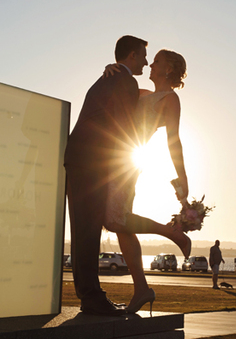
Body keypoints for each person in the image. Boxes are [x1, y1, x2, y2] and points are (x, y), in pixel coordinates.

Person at [63, 35, 148, 316]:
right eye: (143, 56)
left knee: (83, 230)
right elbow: (124, 125)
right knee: (88, 231)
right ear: (132, 56)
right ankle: (92, 298)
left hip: (79, 159)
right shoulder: (125, 80)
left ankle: (89, 296)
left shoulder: (108, 78)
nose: (146, 62)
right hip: (91, 161)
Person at [103, 49, 192, 315]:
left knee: (113, 220)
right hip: (118, 159)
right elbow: (117, 92)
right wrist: (112, 69)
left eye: (156, 62)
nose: (150, 64)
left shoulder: (170, 99)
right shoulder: (143, 93)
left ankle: (171, 232)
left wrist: (182, 176)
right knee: (121, 224)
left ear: (168, 69)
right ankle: (141, 288)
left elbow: (173, 140)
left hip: (126, 164)